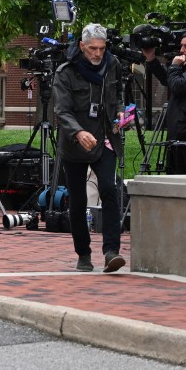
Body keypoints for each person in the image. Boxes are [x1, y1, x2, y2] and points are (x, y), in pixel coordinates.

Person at [53, 23, 126, 273]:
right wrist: (78, 131)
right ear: (82, 46)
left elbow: (117, 93)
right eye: (92, 49)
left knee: (109, 188)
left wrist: (120, 110)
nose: (97, 54)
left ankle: (111, 252)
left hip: (105, 137)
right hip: (75, 142)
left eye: (101, 49)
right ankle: (83, 254)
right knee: (77, 198)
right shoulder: (66, 71)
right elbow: (61, 110)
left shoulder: (113, 64)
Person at [143, 32, 186, 174]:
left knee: (184, 173)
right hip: (180, 129)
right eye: (181, 46)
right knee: (175, 171)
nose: (181, 50)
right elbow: (169, 81)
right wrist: (151, 59)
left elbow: (177, 86)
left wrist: (174, 67)